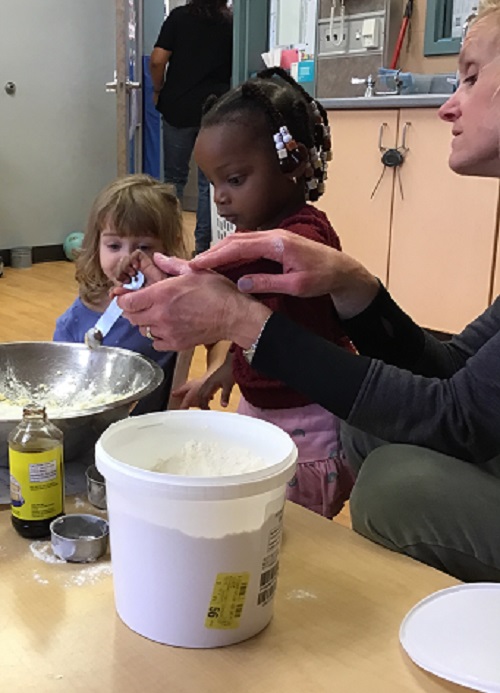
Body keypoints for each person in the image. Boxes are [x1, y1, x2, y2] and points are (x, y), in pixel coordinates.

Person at [115, 5, 500, 582]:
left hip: (306, 429)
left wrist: (236, 319)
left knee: (395, 488)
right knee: (373, 425)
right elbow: (452, 372)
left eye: (469, 77)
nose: (449, 104)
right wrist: (357, 284)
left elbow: (458, 417)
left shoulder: (297, 224)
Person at [119, 69, 356, 519]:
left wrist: (165, 274)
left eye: (235, 179)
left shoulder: (299, 239)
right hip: (262, 411)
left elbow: (266, 319)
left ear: (293, 161)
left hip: (306, 434)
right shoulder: (257, 234)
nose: (220, 198)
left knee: (286, 537)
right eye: (212, 183)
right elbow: (257, 325)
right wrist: (221, 372)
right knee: (253, 522)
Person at [53, 174, 226, 414]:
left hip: (155, 433)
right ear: (96, 246)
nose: (128, 258)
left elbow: (221, 336)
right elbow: (58, 379)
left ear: (169, 248)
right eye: (114, 246)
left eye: (144, 247)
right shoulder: (77, 317)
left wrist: (211, 374)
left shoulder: (177, 302)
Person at [150, 0, 233, 255]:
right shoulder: (230, 22)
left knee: (173, 179)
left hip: (178, 106)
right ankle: (202, 247)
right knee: (209, 182)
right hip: (216, 109)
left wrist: (157, 88)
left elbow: (157, 60)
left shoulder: (178, 17)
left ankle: (169, 244)